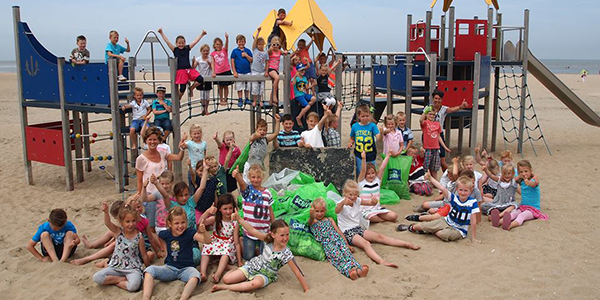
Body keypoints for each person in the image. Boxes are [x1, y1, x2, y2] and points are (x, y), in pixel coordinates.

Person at [336, 180, 419, 268]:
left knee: (380, 237)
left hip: (357, 228)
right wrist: (342, 203)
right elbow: (337, 210)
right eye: (350, 194)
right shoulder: (341, 204)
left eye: (355, 194)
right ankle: (381, 261)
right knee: (366, 244)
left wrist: (374, 201)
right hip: (347, 232)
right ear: (345, 194)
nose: (353, 197)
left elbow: (370, 203)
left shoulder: (357, 200)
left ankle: (406, 244)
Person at [211, 218, 309, 293]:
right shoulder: (267, 240)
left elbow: (297, 272)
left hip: (265, 275)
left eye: (287, 234)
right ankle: (233, 269)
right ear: (273, 235)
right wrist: (239, 219)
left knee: (255, 284)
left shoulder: (286, 254)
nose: (285, 238)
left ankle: (224, 287)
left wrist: (306, 289)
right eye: (282, 235)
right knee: (226, 279)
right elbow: (252, 230)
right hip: (254, 266)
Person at [397, 173, 481, 243]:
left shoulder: (472, 202)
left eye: (466, 190)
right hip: (446, 221)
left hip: (459, 230)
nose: (463, 193)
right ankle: (410, 227)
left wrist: (473, 237)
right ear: (457, 189)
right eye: (461, 190)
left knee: (443, 234)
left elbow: (473, 220)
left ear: (470, 191)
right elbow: (442, 188)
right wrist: (431, 178)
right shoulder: (453, 198)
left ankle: (430, 231)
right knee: (421, 226)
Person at [141, 207, 204, 300]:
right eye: (176, 223)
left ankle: (183, 298)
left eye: (183, 222)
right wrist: (164, 249)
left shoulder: (189, 232)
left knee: (195, 276)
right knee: (149, 270)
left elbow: (206, 240)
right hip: (170, 268)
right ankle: (145, 297)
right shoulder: (166, 234)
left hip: (186, 269)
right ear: (170, 224)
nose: (180, 226)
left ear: (186, 222)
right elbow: (160, 236)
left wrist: (205, 232)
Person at [136, 126, 186, 229]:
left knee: (166, 222)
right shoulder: (141, 159)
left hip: (164, 193)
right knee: (151, 224)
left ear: (159, 141)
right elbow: (139, 181)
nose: (152, 142)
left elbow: (178, 158)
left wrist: (182, 148)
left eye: (155, 139)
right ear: (146, 141)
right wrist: (140, 196)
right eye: (150, 139)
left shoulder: (163, 153)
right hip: (150, 194)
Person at [93, 202, 150, 292]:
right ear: (121, 222)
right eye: (127, 221)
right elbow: (107, 223)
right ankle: (120, 280)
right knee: (97, 277)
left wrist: (148, 270)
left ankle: (115, 281)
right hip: (116, 266)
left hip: (132, 268)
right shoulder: (118, 232)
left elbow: (144, 255)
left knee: (134, 286)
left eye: (133, 221)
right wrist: (106, 212)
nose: (131, 224)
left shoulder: (139, 237)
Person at [308, 198, 369, 280]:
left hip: (338, 240)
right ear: (313, 211)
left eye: (322, 211)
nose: (319, 214)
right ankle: (349, 272)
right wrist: (312, 214)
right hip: (328, 243)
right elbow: (310, 220)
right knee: (338, 258)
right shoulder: (313, 221)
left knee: (347, 254)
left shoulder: (329, 219)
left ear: (325, 211)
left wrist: (347, 244)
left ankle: (358, 269)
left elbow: (339, 231)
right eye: (317, 211)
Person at [232, 165, 274, 261]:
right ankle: (243, 241)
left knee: (264, 257)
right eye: (253, 177)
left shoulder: (267, 193)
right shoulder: (247, 191)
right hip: (249, 230)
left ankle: (256, 249)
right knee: (248, 257)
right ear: (249, 178)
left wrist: (273, 224)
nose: (256, 180)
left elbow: (270, 210)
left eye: (258, 177)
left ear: (262, 177)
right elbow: (242, 183)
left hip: (264, 230)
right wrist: (237, 175)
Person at [198, 194, 242, 283]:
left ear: (234, 208)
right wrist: (207, 212)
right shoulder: (215, 219)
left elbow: (236, 243)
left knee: (226, 252)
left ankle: (218, 274)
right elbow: (200, 222)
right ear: (220, 209)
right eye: (225, 209)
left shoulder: (234, 223)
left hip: (227, 245)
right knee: (206, 247)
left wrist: (240, 261)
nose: (228, 211)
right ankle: (203, 273)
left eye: (230, 208)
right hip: (216, 242)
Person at [158, 28, 206, 99]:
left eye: (182, 43)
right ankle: (178, 99)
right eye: (179, 43)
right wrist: (161, 33)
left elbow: (195, 41)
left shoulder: (187, 48)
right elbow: (167, 42)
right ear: (176, 43)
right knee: (182, 88)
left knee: (200, 79)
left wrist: (202, 34)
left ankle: (191, 88)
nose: (181, 44)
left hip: (189, 70)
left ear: (185, 43)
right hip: (181, 71)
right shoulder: (175, 50)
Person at [502, 160, 548, 230]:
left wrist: (528, 183)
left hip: (533, 209)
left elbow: (534, 184)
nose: (524, 174)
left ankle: (510, 225)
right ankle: (499, 222)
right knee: (514, 213)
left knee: (521, 216)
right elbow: (513, 179)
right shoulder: (521, 180)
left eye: (526, 171)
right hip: (523, 206)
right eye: (521, 172)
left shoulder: (534, 180)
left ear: (530, 171)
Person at [429, 89, 467, 171]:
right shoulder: (428, 108)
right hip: (429, 135)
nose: (437, 101)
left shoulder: (443, 109)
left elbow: (452, 109)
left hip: (439, 134)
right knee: (430, 159)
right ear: (433, 99)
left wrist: (460, 106)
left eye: (439, 99)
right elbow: (423, 120)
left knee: (442, 160)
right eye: (436, 98)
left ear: (442, 100)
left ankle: (448, 176)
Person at [357, 150, 398, 223]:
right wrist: (363, 159)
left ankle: (380, 218)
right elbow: (363, 170)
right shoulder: (361, 182)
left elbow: (382, 167)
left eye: (373, 173)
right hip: (365, 210)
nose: (371, 175)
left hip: (377, 208)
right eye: (368, 174)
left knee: (394, 216)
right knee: (371, 217)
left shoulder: (377, 180)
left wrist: (388, 155)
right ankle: (382, 220)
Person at [243, 117, 280, 183]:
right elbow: (254, 136)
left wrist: (277, 122)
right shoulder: (253, 138)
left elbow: (275, 134)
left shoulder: (265, 140)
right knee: (247, 183)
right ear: (256, 130)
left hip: (258, 166)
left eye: (264, 130)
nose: (262, 132)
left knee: (257, 183)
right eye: (260, 130)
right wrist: (258, 133)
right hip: (250, 165)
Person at [348, 104, 380, 176]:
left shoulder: (372, 126)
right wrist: (350, 143)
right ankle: (361, 185)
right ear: (359, 116)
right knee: (360, 171)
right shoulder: (355, 126)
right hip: (359, 154)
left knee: (372, 171)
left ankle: (371, 185)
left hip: (371, 153)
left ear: (370, 115)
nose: (365, 118)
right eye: (363, 116)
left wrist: (382, 133)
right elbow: (352, 138)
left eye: (367, 116)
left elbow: (378, 137)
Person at [420, 106, 451, 179]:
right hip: (427, 148)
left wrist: (445, 147)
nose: (431, 116)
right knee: (426, 166)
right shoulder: (425, 123)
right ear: (427, 115)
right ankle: (427, 180)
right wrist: (425, 111)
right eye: (430, 114)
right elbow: (421, 120)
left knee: (435, 166)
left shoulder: (437, 124)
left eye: (433, 114)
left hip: (436, 148)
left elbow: (439, 137)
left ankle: (435, 181)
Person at [231, 34, 253, 107]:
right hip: (239, 72)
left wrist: (246, 55)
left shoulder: (248, 51)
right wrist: (234, 71)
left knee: (247, 86)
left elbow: (251, 60)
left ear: (245, 42)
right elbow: (232, 61)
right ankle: (240, 99)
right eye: (239, 41)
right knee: (239, 86)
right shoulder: (234, 51)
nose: (241, 43)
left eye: (242, 41)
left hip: (247, 71)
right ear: (237, 42)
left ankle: (247, 98)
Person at [211, 33, 232, 106]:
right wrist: (213, 72)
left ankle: (225, 99)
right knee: (220, 87)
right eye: (217, 44)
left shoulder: (224, 50)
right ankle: (221, 99)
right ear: (214, 45)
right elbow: (213, 63)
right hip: (218, 72)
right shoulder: (213, 53)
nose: (218, 45)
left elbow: (226, 46)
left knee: (226, 86)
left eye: (220, 44)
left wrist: (227, 38)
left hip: (226, 70)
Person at [192, 44, 213, 116]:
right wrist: (193, 62)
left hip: (208, 78)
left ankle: (206, 109)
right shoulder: (198, 59)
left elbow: (213, 68)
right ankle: (203, 109)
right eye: (204, 51)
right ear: (201, 51)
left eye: (207, 51)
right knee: (202, 96)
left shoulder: (210, 58)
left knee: (207, 96)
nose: (205, 52)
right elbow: (193, 68)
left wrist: (209, 63)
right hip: (201, 78)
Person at [186, 124, 206, 194]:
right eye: (194, 134)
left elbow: (204, 153)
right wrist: (182, 141)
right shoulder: (189, 143)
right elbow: (182, 146)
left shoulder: (204, 143)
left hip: (201, 168)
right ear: (191, 135)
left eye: (198, 133)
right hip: (193, 167)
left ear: (201, 134)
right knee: (192, 185)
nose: (197, 135)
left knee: (201, 185)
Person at [251, 27, 269, 107]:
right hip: (255, 71)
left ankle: (260, 100)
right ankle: (254, 100)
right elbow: (254, 42)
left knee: (261, 87)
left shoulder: (265, 53)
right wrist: (258, 32)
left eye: (262, 45)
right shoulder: (255, 50)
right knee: (255, 87)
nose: (260, 46)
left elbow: (267, 62)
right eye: (259, 44)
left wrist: (266, 71)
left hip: (262, 71)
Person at [267, 36, 285, 106]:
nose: (276, 46)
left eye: (277, 44)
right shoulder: (271, 51)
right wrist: (271, 47)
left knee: (274, 85)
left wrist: (286, 52)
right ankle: (274, 96)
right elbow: (266, 53)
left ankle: (271, 101)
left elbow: (285, 54)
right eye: (274, 44)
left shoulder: (279, 51)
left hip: (276, 69)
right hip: (270, 68)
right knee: (277, 78)